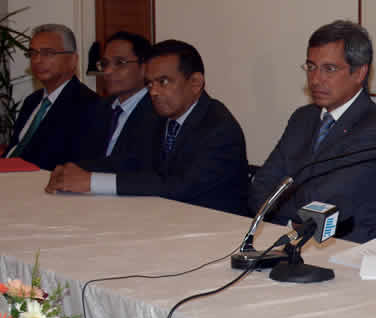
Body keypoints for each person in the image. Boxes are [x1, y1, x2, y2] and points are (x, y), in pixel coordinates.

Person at [46, 40, 250, 215]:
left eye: (163, 82)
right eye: (150, 84)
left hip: (213, 229)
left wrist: (92, 182)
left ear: (195, 82)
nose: (153, 92)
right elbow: (130, 160)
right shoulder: (158, 116)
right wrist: (78, 170)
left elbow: (178, 186)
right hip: (165, 217)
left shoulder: (219, 128)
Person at [249, 21, 376, 243]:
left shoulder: (375, 131)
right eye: (311, 67)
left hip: (347, 250)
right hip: (293, 242)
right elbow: (261, 187)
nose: (316, 79)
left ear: (359, 72)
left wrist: (283, 212)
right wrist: (291, 220)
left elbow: (323, 205)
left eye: (329, 69)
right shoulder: (303, 118)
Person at [6, 23, 99, 170]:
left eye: (48, 53)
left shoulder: (89, 105)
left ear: (72, 60)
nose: (37, 60)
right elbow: (15, 149)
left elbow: (75, 164)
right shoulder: (32, 101)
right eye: (33, 53)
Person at [77, 31, 160, 174]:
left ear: (144, 67)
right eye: (105, 64)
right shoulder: (99, 108)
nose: (108, 71)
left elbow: (136, 167)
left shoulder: (157, 111)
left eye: (119, 63)